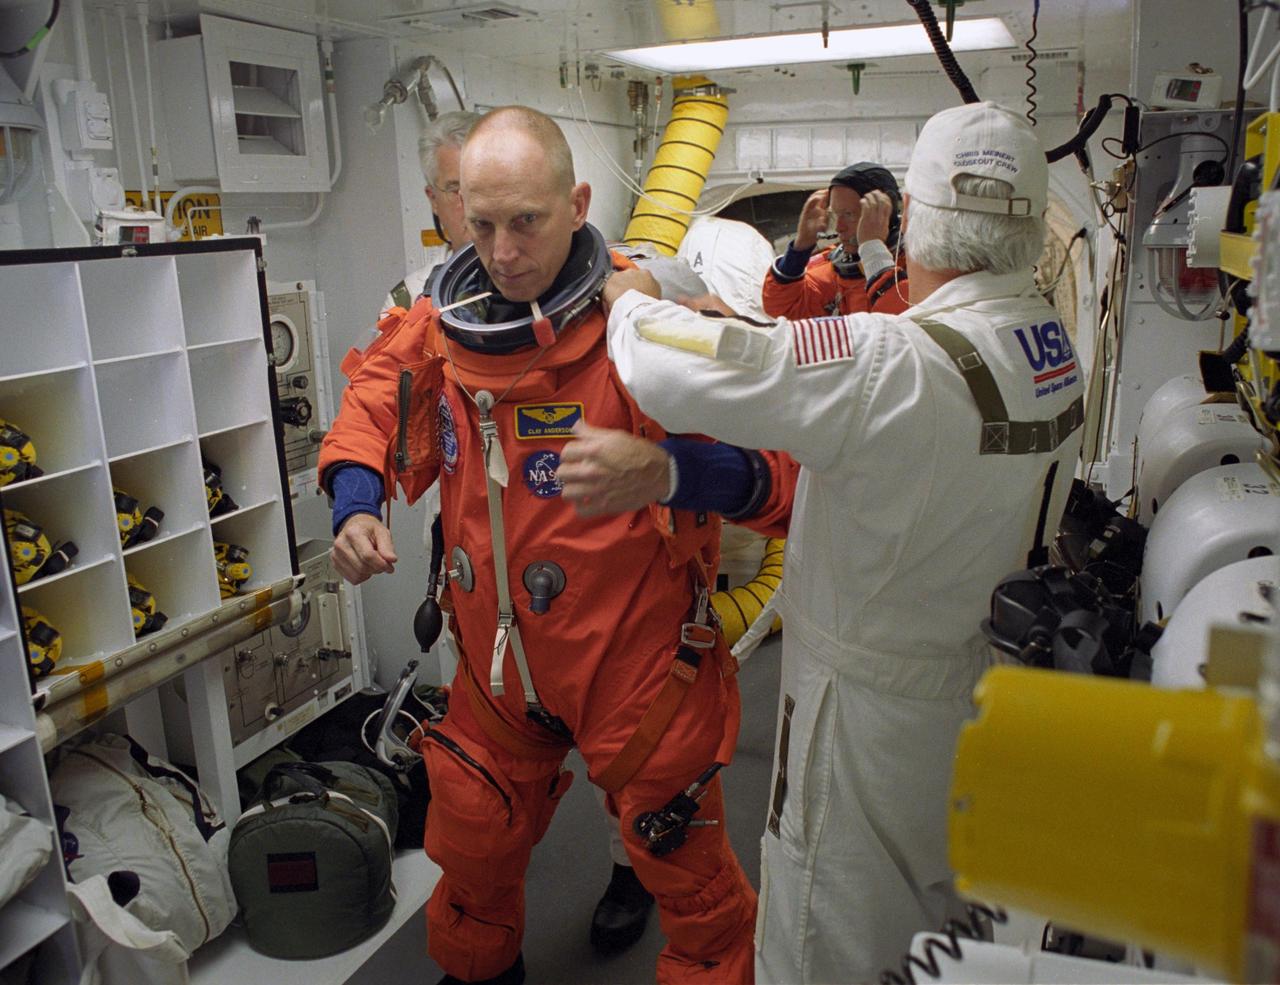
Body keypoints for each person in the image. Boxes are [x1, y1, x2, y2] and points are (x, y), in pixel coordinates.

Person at [570, 101, 1086, 983]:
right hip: (982, 690)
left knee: (826, 930)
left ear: (916, 222)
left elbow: (680, 366)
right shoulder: (1048, 348)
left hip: (866, 712)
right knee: (936, 918)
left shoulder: (896, 361)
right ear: (1033, 229)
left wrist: (632, 302)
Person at [318, 106, 757, 985]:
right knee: (473, 836)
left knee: (689, 875)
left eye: (526, 222)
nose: (504, 252)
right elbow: (375, 396)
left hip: (630, 656)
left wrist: (669, 468)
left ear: (577, 203)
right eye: (481, 224)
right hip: (494, 657)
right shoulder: (444, 321)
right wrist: (355, 502)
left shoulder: (645, 321)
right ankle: (481, 971)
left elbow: (766, 457)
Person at [761, 161, 910, 319]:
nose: (839, 227)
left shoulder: (918, 264)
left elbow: (908, 324)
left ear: (885, 211)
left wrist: (873, 253)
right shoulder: (837, 267)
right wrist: (801, 247)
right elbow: (782, 308)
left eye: (849, 214)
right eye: (836, 215)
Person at [386, 110, 481, 310]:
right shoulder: (407, 302)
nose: (472, 203)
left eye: (481, 186)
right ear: (433, 200)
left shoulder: (542, 276)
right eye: (455, 189)